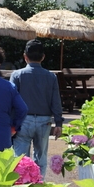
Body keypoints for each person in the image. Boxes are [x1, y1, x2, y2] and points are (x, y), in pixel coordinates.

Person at [10, 39, 63, 178]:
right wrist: (58, 123)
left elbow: (11, 101)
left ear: (25, 56)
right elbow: (56, 101)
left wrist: (10, 122)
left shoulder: (17, 75)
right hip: (44, 120)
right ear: (43, 57)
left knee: (20, 159)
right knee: (41, 158)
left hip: (23, 121)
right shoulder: (51, 76)